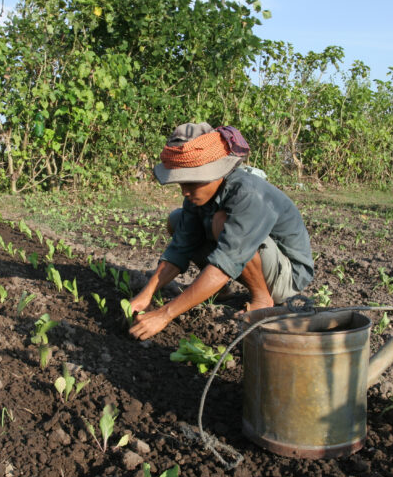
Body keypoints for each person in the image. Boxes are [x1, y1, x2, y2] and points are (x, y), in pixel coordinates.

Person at [129, 122, 314, 341]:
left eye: (191, 182)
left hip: (287, 276)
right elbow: (181, 247)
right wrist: (147, 293)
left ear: (216, 173)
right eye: (181, 184)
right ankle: (219, 290)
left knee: (220, 221)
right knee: (177, 220)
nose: (185, 191)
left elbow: (225, 262)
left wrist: (164, 314)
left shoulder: (248, 194)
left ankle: (262, 299)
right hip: (255, 261)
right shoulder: (198, 196)